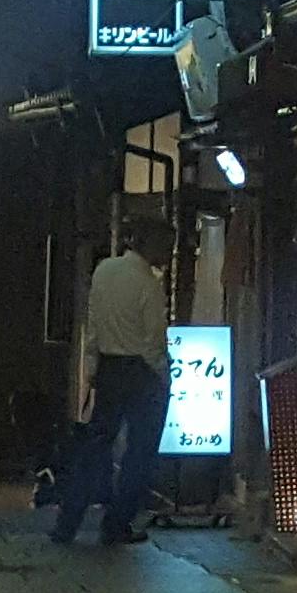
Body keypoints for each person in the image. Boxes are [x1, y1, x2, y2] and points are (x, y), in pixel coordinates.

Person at [70, 226, 168, 545]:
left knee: (95, 446)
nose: (168, 253)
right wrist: (164, 378)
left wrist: (92, 367)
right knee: (139, 453)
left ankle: (67, 523)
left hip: (109, 367)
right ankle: (117, 524)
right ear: (149, 244)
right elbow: (154, 343)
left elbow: (94, 323)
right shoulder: (149, 285)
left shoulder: (104, 270)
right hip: (140, 373)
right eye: (166, 245)